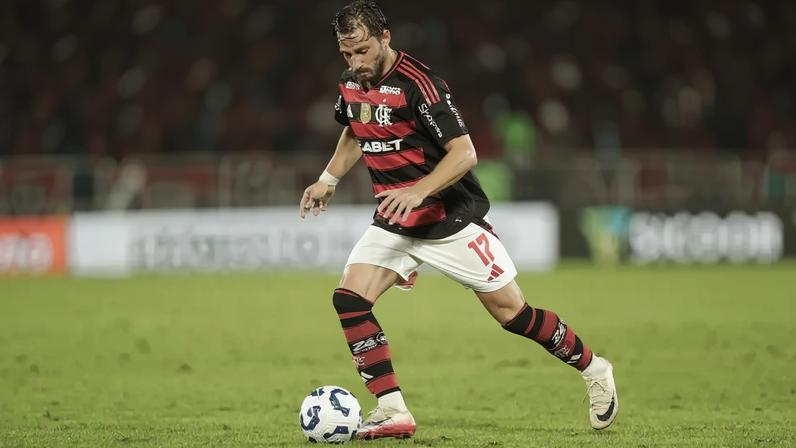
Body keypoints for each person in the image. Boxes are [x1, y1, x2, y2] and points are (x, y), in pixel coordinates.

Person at [299, 0, 618, 440]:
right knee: (349, 299)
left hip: (448, 220)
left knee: (514, 315)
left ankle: (595, 368)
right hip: (394, 221)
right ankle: (392, 409)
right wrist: (328, 179)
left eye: (364, 51)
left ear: (386, 37)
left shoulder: (421, 85)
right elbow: (355, 126)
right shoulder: (351, 83)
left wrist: (418, 190)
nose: (357, 63)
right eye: (347, 54)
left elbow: (465, 153)